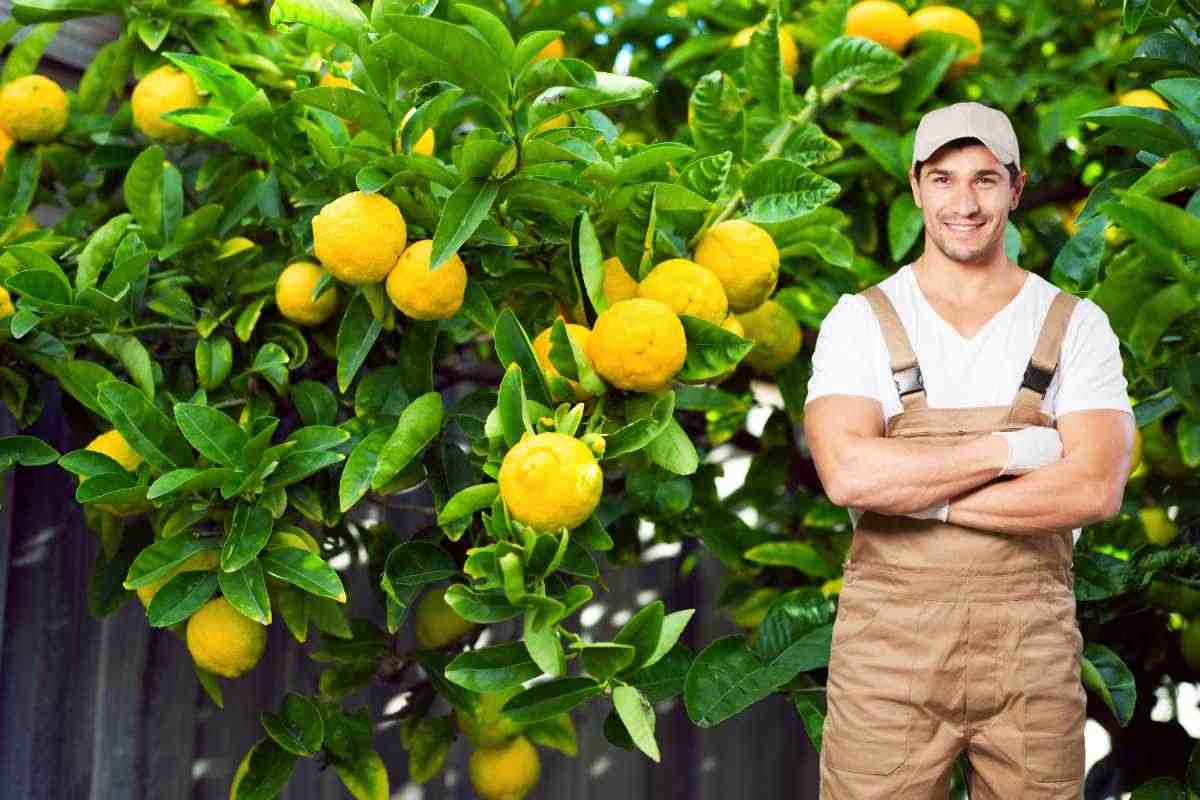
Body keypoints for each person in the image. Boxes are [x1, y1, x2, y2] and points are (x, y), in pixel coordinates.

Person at [804, 101, 1136, 798]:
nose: (965, 202)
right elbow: (848, 472)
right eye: (945, 178)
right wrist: (1012, 450)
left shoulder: (1076, 325)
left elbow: (1093, 489)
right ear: (916, 184)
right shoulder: (859, 321)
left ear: (1016, 189)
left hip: (1032, 661)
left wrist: (922, 500)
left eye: (985, 180)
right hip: (885, 665)